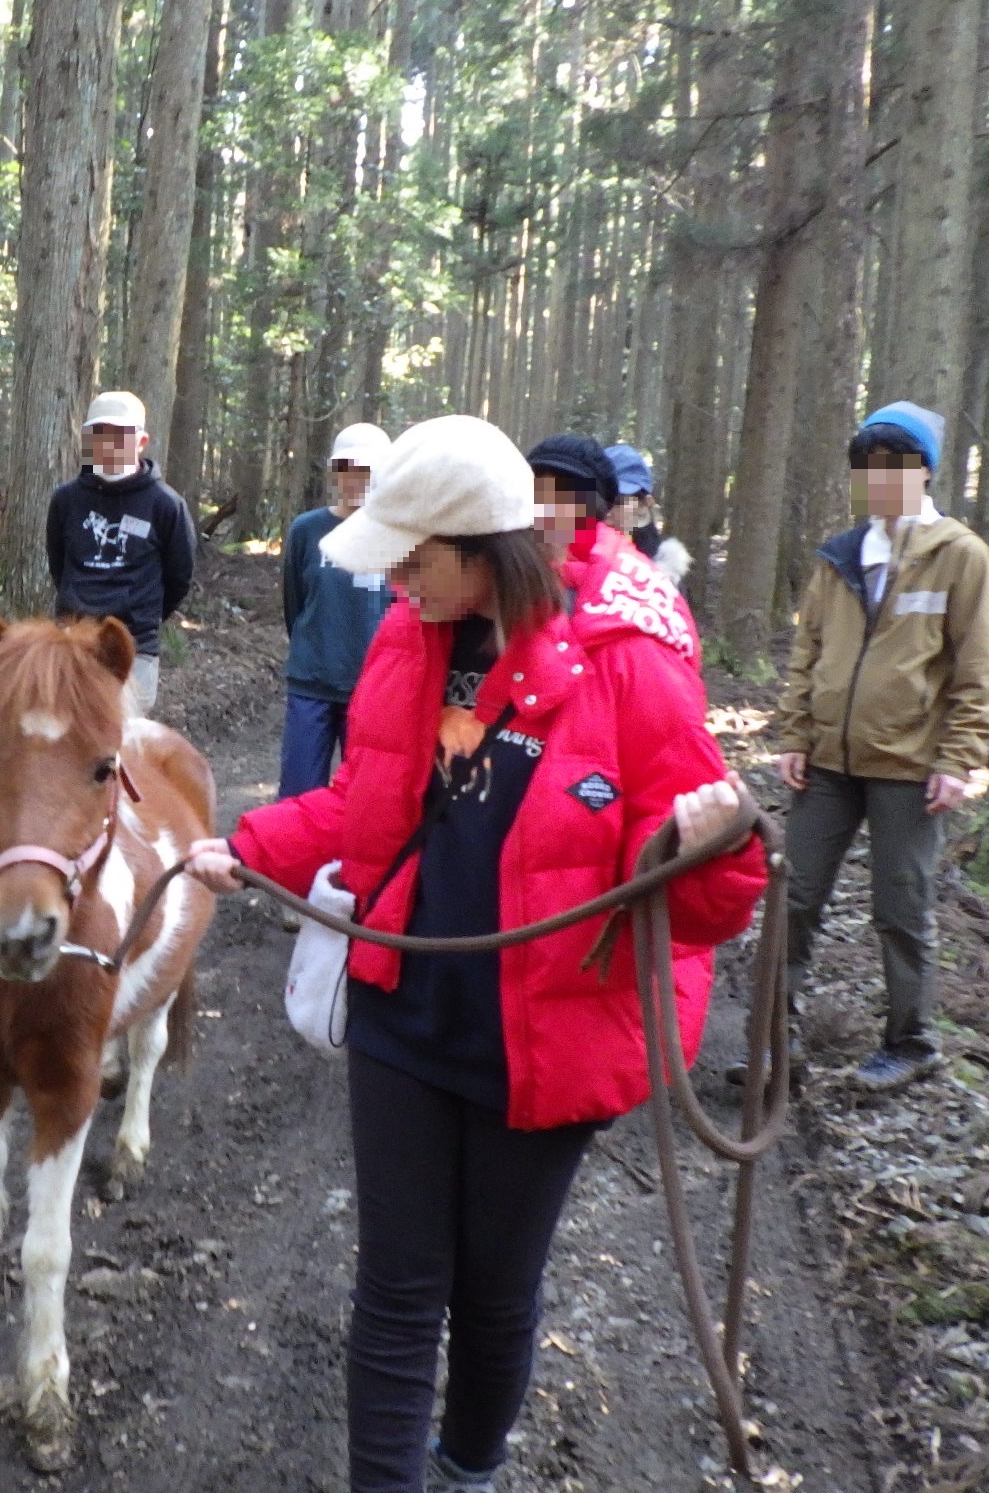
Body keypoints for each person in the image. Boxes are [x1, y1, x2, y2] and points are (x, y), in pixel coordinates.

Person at [181, 417, 767, 1493]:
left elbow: (715, 904)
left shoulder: (629, 666)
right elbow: (371, 802)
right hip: (406, 1009)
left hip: (551, 1032)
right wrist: (248, 844)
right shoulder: (410, 636)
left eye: (411, 559)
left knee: (494, 1289)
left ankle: (466, 1469)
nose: (394, 582)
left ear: (477, 547)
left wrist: (709, 845)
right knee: (396, 1287)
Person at [774, 402, 989, 1093]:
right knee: (794, 897)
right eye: (869, 468)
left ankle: (911, 1041)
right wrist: (794, 733)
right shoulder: (841, 556)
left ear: (924, 473)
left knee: (901, 910)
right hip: (827, 765)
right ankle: (771, 1044)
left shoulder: (959, 556)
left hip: (910, 768)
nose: (881, 480)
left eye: (895, 466)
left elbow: (976, 669)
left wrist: (960, 758)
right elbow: (807, 650)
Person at [44, 390, 197, 716]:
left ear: (141, 441)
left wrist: (142, 615)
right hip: (72, 642)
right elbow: (59, 565)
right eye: (99, 434)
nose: (108, 443)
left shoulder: (166, 504)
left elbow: (179, 577)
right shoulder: (66, 500)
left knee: (120, 745)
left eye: (119, 435)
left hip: (134, 647)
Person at [278, 421, 395, 801]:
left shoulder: (398, 535)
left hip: (372, 688)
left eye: (366, 469)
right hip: (312, 682)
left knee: (364, 797)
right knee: (298, 793)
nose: (355, 479)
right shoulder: (307, 530)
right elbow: (294, 602)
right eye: (346, 468)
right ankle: (289, 862)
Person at [527, 431, 702, 673]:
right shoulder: (556, 552)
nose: (610, 510)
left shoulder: (660, 574)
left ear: (644, 505)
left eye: (620, 501)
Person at [603, 442, 692, 587]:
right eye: (599, 499)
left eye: (617, 501)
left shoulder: (665, 573)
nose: (606, 512)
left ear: (645, 504)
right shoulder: (569, 558)